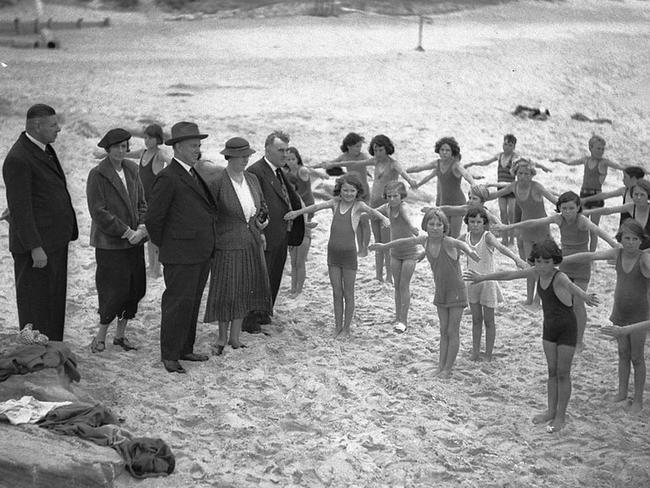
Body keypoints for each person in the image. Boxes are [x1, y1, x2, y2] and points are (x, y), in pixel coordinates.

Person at [464, 238, 599, 432]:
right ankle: (550, 411)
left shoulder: (559, 277)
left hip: (567, 329)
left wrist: (585, 297)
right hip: (549, 328)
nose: (542, 266)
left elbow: (572, 287)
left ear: (554, 261)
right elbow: (509, 274)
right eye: (538, 261)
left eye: (546, 262)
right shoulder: (535, 272)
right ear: (534, 261)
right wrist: (482, 277)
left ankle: (560, 416)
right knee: (552, 372)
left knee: (563, 374)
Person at [494, 191, 618, 350]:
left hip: (581, 265)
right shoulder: (558, 219)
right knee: (564, 303)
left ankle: (579, 341)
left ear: (578, 207)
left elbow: (598, 232)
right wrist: (508, 226)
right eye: (564, 208)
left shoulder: (582, 221)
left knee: (578, 303)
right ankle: (565, 335)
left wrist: (615, 245)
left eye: (571, 208)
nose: (567, 212)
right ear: (559, 208)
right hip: (564, 263)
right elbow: (533, 222)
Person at [371, 208, 479, 378]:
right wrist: (385, 246)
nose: (435, 227)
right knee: (443, 330)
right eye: (431, 224)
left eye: (439, 224)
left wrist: (470, 251)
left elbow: (461, 244)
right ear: (425, 226)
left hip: (457, 291)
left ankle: (448, 368)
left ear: (444, 227)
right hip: (440, 291)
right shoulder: (425, 240)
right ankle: (441, 366)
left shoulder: (448, 242)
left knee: (452, 331)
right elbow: (403, 242)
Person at [145, 122, 218, 374]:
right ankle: (170, 354)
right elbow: (154, 219)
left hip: (199, 251)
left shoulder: (191, 172)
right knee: (176, 303)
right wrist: (169, 246)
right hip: (180, 254)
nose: (197, 150)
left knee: (192, 302)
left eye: (199, 146)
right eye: (193, 146)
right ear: (177, 147)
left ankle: (185, 348)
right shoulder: (168, 176)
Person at [2, 104, 78, 342]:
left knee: (53, 299)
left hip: (54, 239)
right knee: (34, 301)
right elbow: (22, 210)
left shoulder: (42, 148)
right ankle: (34, 350)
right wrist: (35, 247)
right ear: (36, 125)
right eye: (53, 125)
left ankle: (51, 346)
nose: (59, 129)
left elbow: (33, 195)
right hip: (37, 246)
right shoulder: (18, 158)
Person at [285, 174, 390, 337]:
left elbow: (373, 212)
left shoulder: (358, 205)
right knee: (336, 292)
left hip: (348, 255)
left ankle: (346, 329)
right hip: (332, 254)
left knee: (348, 293)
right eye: (345, 190)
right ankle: (337, 326)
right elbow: (315, 208)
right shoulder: (334, 203)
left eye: (352, 191)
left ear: (357, 192)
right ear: (339, 191)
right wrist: (296, 213)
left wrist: (384, 219)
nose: (348, 194)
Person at [562, 219, 650, 414]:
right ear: (620, 238)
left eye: (635, 239)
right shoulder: (617, 253)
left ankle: (638, 399)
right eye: (626, 238)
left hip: (639, 314)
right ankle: (622, 392)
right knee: (622, 353)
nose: (630, 242)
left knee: (637, 357)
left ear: (641, 240)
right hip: (620, 311)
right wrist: (564, 259)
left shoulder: (644, 258)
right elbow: (591, 255)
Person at [203, 137, 271, 355]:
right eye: (241, 157)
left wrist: (262, 221)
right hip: (226, 244)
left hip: (251, 240)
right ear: (229, 157)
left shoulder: (252, 179)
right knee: (226, 290)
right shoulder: (217, 183)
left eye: (247, 156)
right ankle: (222, 337)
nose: (245, 160)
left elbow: (262, 206)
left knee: (244, 288)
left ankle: (235, 337)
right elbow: (209, 216)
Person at [322, 134, 417, 282]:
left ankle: (389, 276)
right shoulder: (374, 161)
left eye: (380, 149)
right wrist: (332, 164)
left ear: (387, 149)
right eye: (375, 150)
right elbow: (355, 162)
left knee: (386, 243)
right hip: (373, 203)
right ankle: (379, 275)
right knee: (378, 243)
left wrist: (411, 180)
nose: (377, 153)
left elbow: (403, 173)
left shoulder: (393, 163)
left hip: (387, 206)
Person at [86, 128, 147, 353]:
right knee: (113, 291)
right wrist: (126, 232)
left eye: (124, 146)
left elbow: (142, 202)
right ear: (108, 149)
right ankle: (101, 335)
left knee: (134, 289)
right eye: (117, 147)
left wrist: (141, 227)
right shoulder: (98, 174)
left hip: (135, 242)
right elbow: (98, 212)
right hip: (110, 245)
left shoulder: (132, 169)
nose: (121, 151)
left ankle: (120, 336)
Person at [244, 131, 305, 332]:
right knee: (259, 277)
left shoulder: (279, 171)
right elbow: (253, 205)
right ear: (267, 149)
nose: (285, 154)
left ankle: (263, 313)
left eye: (287, 150)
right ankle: (250, 320)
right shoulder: (256, 171)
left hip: (281, 234)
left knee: (274, 275)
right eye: (281, 150)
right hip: (266, 235)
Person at [485, 159, 557, 304]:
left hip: (541, 229)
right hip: (526, 229)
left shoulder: (537, 187)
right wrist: (481, 195)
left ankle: (538, 299)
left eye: (526, 173)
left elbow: (554, 200)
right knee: (529, 266)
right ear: (515, 174)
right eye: (520, 173)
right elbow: (495, 195)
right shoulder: (514, 186)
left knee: (542, 265)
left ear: (532, 174)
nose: (522, 176)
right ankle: (529, 298)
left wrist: (568, 208)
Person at [461, 207, 527, 361]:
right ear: (468, 223)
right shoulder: (465, 237)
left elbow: (502, 248)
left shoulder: (487, 237)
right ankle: (475, 353)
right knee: (476, 320)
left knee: (489, 320)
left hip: (488, 282)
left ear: (484, 223)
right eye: (472, 221)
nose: (476, 225)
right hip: (471, 282)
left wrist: (516, 259)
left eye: (479, 222)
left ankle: (489, 354)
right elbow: (450, 245)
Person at [551, 135, 625, 251]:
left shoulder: (604, 162)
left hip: (596, 197)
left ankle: (592, 255)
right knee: (581, 226)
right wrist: (559, 160)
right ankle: (582, 249)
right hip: (583, 196)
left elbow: (621, 167)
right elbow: (570, 162)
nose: (600, 151)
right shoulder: (586, 160)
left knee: (594, 230)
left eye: (602, 149)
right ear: (590, 148)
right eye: (598, 148)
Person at [375, 181, 422, 332]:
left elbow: (407, 219)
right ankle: (397, 316)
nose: (392, 199)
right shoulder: (387, 208)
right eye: (389, 196)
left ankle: (404, 320)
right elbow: (373, 211)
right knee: (396, 286)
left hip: (409, 252)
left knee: (404, 285)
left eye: (395, 196)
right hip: (395, 252)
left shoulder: (403, 207)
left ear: (401, 196)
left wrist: (413, 228)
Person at [408, 136, 477, 238]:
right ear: (438, 151)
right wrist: (404, 172)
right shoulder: (437, 164)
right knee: (443, 234)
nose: (444, 152)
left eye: (447, 150)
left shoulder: (456, 165)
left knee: (454, 237)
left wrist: (473, 183)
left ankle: (457, 253)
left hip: (457, 204)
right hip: (443, 203)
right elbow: (420, 168)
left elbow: (466, 174)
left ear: (452, 152)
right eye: (442, 150)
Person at [316, 133, 372, 255]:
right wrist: (325, 164)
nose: (359, 149)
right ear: (349, 146)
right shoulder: (344, 156)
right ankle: (360, 248)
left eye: (360, 146)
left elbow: (368, 162)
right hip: (353, 192)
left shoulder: (363, 156)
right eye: (357, 146)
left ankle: (365, 247)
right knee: (356, 220)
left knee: (365, 221)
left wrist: (368, 173)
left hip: (364, 192)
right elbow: (333, 163)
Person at [464, 134, 521, 245]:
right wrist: (473, 163)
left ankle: (512, 240)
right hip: (500, 187)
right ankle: (505, 238)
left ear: (514, 146)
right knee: (503, 213)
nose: (507, 147)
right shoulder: (499, 156)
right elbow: (486, 162)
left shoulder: (515, 157)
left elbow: (519, 166)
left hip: (511, 188)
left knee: (511, 214)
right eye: (505, 144)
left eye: (510, 145)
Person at [134, 124, 170, 278]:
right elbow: (123, 154)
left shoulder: (159, 154)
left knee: (153, 234)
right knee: (147, 233)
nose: (147, 140)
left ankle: (156, 269)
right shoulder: (142, 153)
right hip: (142, 200)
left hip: (154, 200)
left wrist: (166, 183)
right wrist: (104, 154)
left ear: (158, 139)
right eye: (145, 137)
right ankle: (153, 268)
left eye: (150, 138)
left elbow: (173, 163)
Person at [584, 179, 650, 250]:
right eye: (636, 194)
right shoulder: (631, 207)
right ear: (632, 195)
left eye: (642, 195)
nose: (638, 197)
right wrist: (587, 212)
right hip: (634, 250)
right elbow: (608, 210)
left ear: (648, 195)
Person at [285, 146, 315, 297]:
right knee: (294, 263)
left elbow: (308, 174)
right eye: (287, 159)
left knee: (299, 262)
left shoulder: (302, 171)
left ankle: (298, 290)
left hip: (304, 226)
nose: (290, 162)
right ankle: (293, 289)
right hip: (296, 228)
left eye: (292, 159)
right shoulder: (287, 173)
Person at [580, 166, 646, 226]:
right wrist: (586, 199)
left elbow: (610, 210)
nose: (623, 179)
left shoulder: (646, 193)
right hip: (625, 227)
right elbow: (605, 195)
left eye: (625, 177)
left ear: (633, 179)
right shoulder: (624, 190)